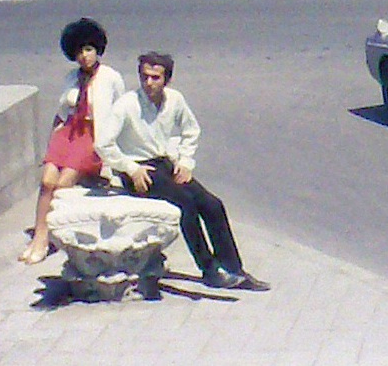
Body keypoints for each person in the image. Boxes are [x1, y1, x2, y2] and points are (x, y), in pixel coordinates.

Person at [95, 51, 269, 291]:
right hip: (139, 171)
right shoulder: (127, 104)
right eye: (144, 77)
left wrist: (185, 162)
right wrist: (130, 169)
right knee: (185, 205)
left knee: (212, 204)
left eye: (155, 78)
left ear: (167, 79)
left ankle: (234, 269)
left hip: (165, 163)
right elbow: (102, 143)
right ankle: (209, 270)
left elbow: (191, 130)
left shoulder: (175, 100)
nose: (149, 83)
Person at [20, 18, 126, 264]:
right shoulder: (71, 77)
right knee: (47, 181)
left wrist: (114, 156)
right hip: (67, 132)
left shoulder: (110, 77)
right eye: (79, 51)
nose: (84, 56)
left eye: (88, 49)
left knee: (63, 183)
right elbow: (62, 109)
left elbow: (120, 113)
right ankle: (39, 235)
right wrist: (53, 137)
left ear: (97, 49)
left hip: (92, 136)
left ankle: (49, 237)